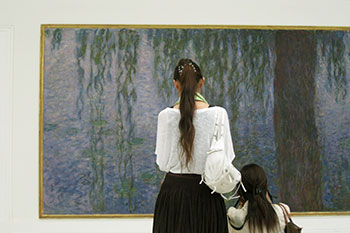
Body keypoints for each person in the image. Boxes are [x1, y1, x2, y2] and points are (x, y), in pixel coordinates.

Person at [153, 58, 236, 233]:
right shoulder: (219, 114)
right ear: (202, 82)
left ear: (176, 84)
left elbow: (162, 163)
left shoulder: (165, 116)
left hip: (173, 196)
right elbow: (227, 159)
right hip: (207, 195)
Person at [227, 163, 290, 233]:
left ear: (240, 189)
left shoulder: (233, 217)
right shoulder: (282, 211)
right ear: (265, 186)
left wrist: (241, 204)